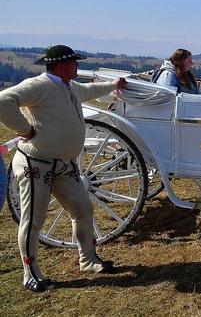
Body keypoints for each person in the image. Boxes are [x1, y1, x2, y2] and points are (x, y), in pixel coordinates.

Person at [0, 45, 127, 292]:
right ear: (62, 66)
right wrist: (25, 130)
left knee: (83, 209)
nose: (78, 67)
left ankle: (88, 260)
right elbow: (4, 100)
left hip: (62, 165)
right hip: (36, 164)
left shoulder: (68, 86)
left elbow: (91, 90)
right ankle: (31, 272)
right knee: (33, 221)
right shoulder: (39, 85)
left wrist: (114, 85)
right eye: (75, 63)